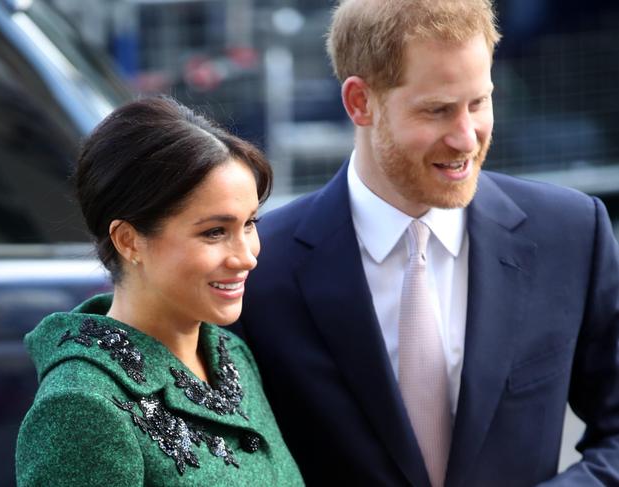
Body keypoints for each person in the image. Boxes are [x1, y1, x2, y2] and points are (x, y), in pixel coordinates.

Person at [236, 0, 619, 486]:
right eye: (437, 111)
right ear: (360, 102)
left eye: (478, 103)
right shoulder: (258, 266)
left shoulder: (570, 233)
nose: (466, 137)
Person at [15, 97, 303, 487]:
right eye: (214, 232)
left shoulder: (229, 355)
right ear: (129, 240)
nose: (246, 257)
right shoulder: (83, 406)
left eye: (249, 224)